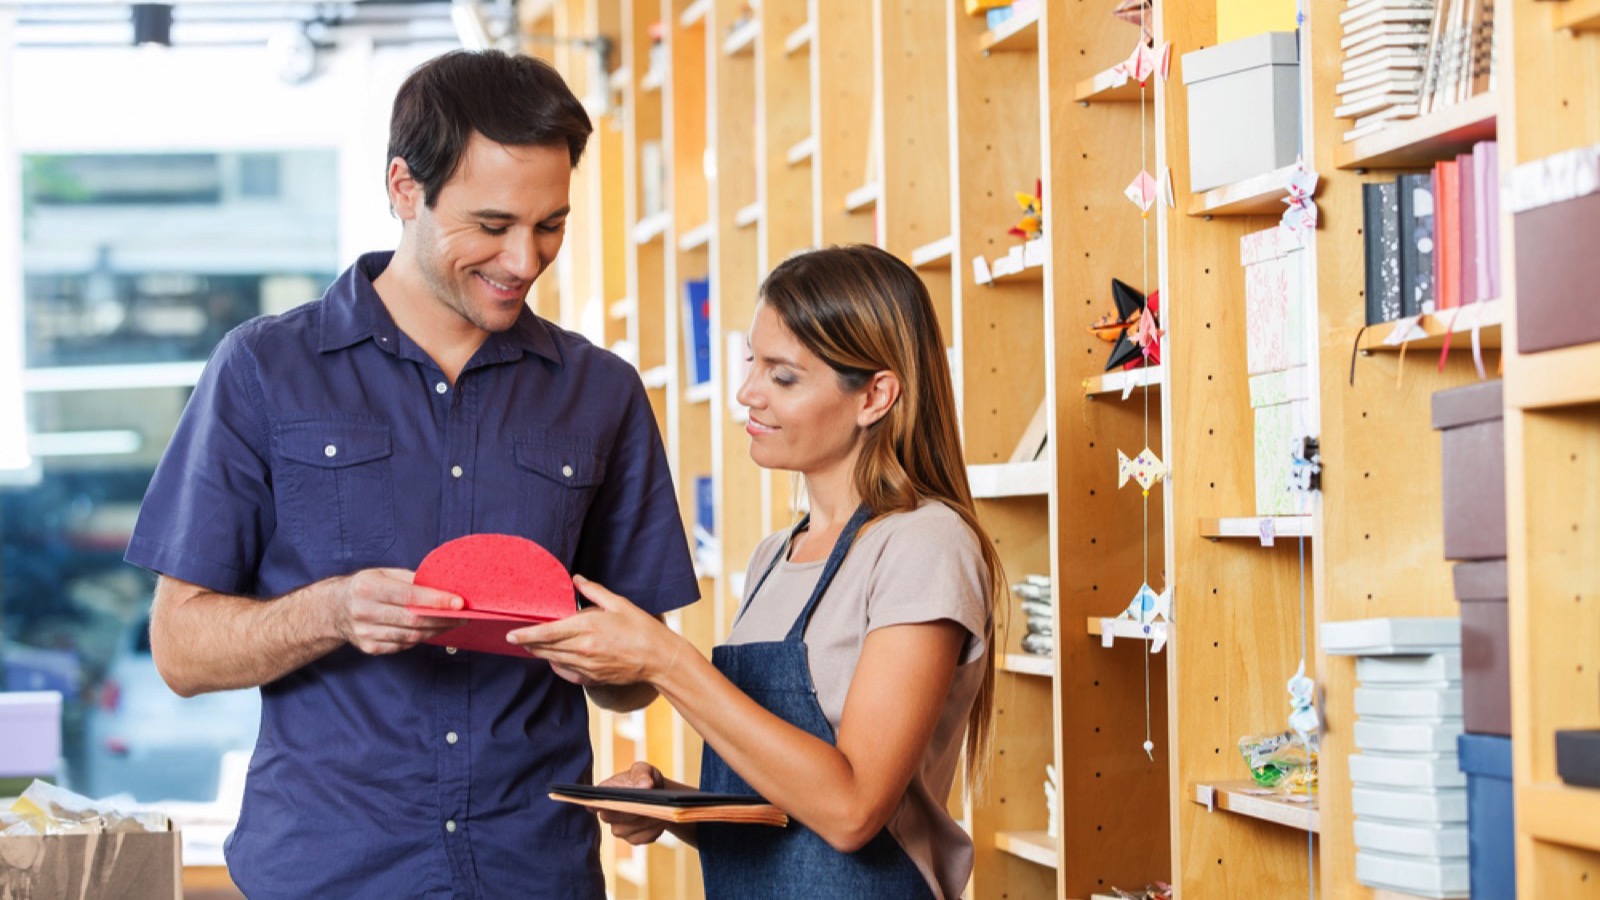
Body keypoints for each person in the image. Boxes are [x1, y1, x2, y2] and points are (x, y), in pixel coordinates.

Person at [123, 50, 699, 899]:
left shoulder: (600, 393)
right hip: (328, 875)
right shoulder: (265, 369)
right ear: (404, 188)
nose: (523, 258)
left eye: (551, 225)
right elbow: (180, 649)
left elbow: (636, 683)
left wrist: (609, 668)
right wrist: (330, 611)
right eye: (492, 224)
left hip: (532, 871)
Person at [512, 244, 1004, 900]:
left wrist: (665, 661)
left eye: (784, 375)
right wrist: (676, 804)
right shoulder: (776, 554)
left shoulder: (924, 544)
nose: (747, 393)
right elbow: (785, 809)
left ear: (876, 396)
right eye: (752, 362)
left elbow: (853, 810)